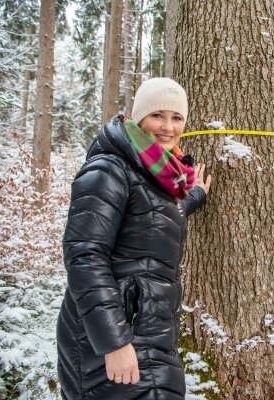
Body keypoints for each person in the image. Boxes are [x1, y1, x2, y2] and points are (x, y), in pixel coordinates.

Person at [56, 78, 211, 399]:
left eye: (176, 117)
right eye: (158, 115)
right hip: (111, 336)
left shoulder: (157, 177)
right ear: (139, 118)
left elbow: (150, 218)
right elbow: (84, 256)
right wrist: (114, 342)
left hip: (150, 330)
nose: (168, 126)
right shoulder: (109, 168)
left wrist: (194, 197)